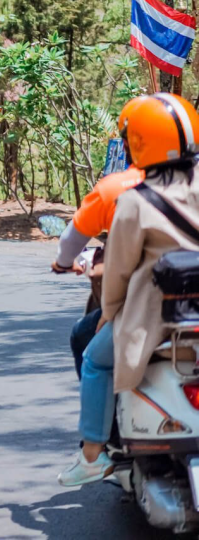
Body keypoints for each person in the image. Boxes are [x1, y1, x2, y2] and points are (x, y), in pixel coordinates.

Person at [59, 93, 199, 486]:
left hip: (157, 313)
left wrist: (108, 313)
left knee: (94, 358)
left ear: (136, 143)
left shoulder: (134, 201)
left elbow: (118, 271)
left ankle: (92, 456)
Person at [52, 97, 146, 377]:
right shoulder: (190, 183)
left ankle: (99, 424)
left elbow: (70, 243)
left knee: (85, 342)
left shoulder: (114, 189)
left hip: (145, 306)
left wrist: (65, 262)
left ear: (128, 143)